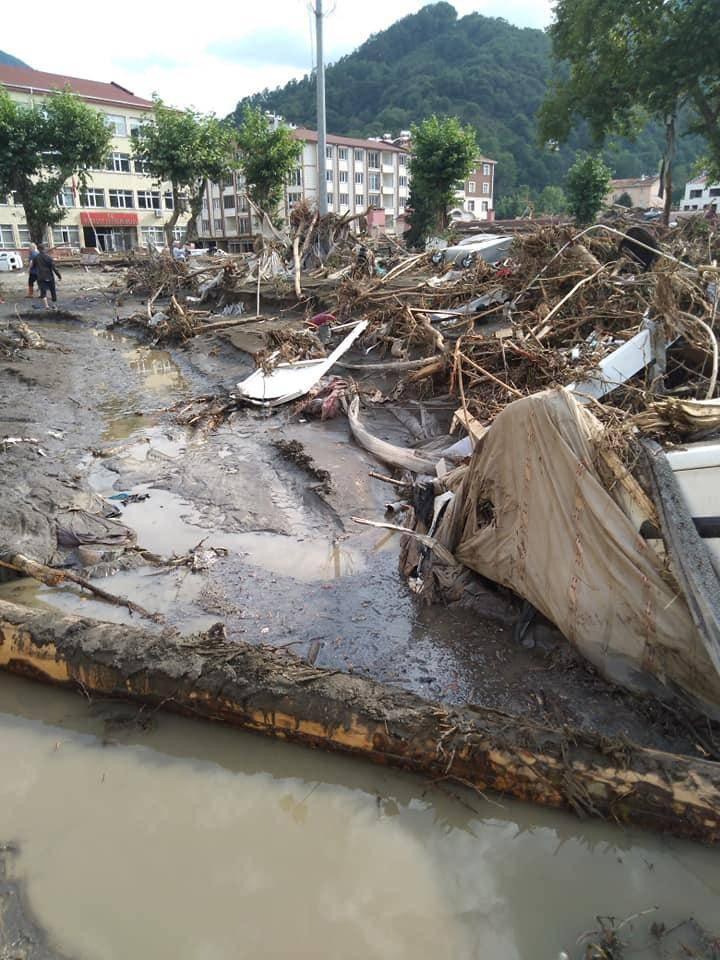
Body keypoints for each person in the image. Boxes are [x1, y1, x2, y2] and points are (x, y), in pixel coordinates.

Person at [35, 243, 62, 310]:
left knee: (43, 291)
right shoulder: (49, 257)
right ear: (44, 249)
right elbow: (54, 268)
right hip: (49, 276)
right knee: (52, 290)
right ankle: (54, 305)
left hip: (40, 276)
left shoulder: (36, 258)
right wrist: (59, 275)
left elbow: (35, 266)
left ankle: (46, 306)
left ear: (38, 249)